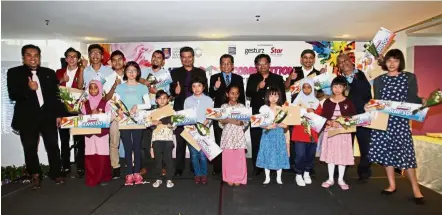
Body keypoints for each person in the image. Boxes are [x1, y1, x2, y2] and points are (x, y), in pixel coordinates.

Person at [369, 49, 425, 204]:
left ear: (400, 62)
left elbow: (413, 99)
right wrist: (371, 105)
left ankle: (416, 189)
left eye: (396, 60)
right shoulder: (379, 80)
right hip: (383, 120)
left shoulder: (409, 77)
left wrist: (423, 101)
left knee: (406, 155)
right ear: (385, 62)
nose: (392, 63)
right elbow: (377, 100)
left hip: (400, 122)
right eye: (389, 60)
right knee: (387, 154)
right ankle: (392, 185)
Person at [7, 44, 65, 189]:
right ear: (23, 57)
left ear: (39, 57)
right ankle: (35, 175)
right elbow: (12, 95)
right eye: (29, 55)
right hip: (27, 118)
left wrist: (58, 114)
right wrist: (28, 88)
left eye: (36, 55)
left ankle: (55, 173)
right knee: (30, 148)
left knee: (52, 146)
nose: (33, 58)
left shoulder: (49, 73)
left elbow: (55, 96)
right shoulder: (14, 73)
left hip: (48, 116)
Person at [170, 46, 207, 177]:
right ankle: (179, 168)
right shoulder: (174, 73)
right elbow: (171, 93)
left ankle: (194, 166)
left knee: (195, 141)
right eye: (183, 57)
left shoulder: (201, 73)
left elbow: (205, 92)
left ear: (193, 57)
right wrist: (175, 92)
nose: (186, 59)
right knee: (180, 141)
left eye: (189, 56)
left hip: (197, 112)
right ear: (181, 58)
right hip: (181, 111)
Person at [246, 54, 286, 175]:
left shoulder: (278, 78)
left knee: (272, 143)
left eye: (265, 63)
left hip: (274, 116)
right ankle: (257, 167)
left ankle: (272, 167)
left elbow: (282, 97)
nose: (262, 66)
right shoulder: (252, 78)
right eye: (259, 64)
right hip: (257, 115)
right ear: (256, 66)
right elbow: (248, 93)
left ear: (269, 64)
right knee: (257, 141)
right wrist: (258, 86)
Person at [337, 53, 373, 182]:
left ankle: (364, 172)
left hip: (364, 117)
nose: (344, 63)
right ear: (339, 67)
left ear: (351, 61)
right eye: (340, 62)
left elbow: (371, 93)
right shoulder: (339, 80)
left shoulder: (363, 74)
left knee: (366, 147)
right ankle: (341, 171)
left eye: (345, 60)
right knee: (345, 146)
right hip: (347, 118)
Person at [115, 61, 151, 186]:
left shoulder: (142, 87)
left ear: (138, 72)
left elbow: (148, 104)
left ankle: (137, 173)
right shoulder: (120, 87)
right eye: (129, 70)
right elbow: (116, 103)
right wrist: (118, 110)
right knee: (127, 147)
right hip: (124, 120)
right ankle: (129, 173)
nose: (131, 73)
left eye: (134, 71)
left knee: (137, 146)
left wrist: (138, 106)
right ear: (125, 72)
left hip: (138, 120)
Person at [209, 54, 245, 176]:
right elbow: (210, 95)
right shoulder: (214, 77)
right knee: (219, 141)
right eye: (223, 63)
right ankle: (219, 167)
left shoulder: (239, 78)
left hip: (236, 113)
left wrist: (242, 114)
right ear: (220, 66)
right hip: (220, 114)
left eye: (228, 63)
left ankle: (234, 167)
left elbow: (243, 98)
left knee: (235, 141)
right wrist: (215, 87)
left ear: (233, 65)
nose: (226, 66)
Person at [320, 76, 356, 190]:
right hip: (330, 132)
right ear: (331, 88)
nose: (337, 89)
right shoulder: (327, 101)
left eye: (340, 86)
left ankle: (341, 179)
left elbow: (353, 117)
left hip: (343, 132)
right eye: (335, 86)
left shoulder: (348, 101)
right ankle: (330, 178)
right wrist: (329, 121)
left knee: (342, 155)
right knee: (330, 155)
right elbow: (323, 117)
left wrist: (342, 120)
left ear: (344, 87)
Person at [55, 47, 86, 177]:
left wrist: (82, 69)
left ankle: (80, 166)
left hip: (77, 109)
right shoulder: (59, 72)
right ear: (66, 58)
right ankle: (65, 165)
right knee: (64, 139)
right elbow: (52, 90)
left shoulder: (82, 70)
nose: (72, 58)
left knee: (79, 139)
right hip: (62, 109)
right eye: (69, 56)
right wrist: (62, 81)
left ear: (78, 59)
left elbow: (81, 86)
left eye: (74, 56)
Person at [140, 50, 171, 175]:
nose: (156, 59)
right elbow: (136, 78)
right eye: (154, 57)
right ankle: (145, 166)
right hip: (146, 108)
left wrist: (156, 91)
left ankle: (163, 166)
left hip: (160, 109)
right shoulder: (144, 70)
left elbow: (168, 94)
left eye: (159, 58)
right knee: (144, 141)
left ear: (163, 61)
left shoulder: (166, 75)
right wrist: (144, 82)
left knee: (161, 139)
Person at [291, 78, 322, 186]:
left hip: (312, 134)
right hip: (299, 132)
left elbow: (320, 117)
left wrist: (313, 112)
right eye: (304, 87)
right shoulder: (296, 101)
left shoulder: (317, 102)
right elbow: (292, 116)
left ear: (312, 88)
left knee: (310, 154)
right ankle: (299, 173)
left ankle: (307, 172)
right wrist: (300, 113)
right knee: (300, 154)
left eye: (309, 87)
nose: (306, 89)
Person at [81, 80, 112, 186]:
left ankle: (103, 177)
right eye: (91, 87)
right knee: (90, 155)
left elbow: (110, 117)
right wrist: (81, 116)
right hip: (89, 135)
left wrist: (100, 114)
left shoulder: (105, 103)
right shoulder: (84, 103)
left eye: (95, 87)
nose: (93, 89)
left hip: (102, 134)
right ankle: (92, 177)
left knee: (102, 155)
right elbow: (82, 117)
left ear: (100, 89)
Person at [256, 87, 290, 185]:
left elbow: (286, 125)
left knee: (279, 154)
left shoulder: (283, 109)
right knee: (267, 154)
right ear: (267, 97)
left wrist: (278, 124)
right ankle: (267, 177)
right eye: (271, 95)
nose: (273, 98)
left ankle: (279, 177)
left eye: (276, 95)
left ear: (279, 97)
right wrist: (267, 127)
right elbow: (260, 123)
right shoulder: (264, 109)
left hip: (279, 135)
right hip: (267, 135)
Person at [184, 77, 213, 184]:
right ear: (191, 88)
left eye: (199, 86)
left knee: (203, 155)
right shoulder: (188, 100)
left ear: (204, 87)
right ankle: (197, 174)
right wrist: (190, 127)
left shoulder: (209, 100)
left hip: (204, 131)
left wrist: (205, 123)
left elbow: (210, 116)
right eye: (194, 86)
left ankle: (204, 174)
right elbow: (185, 116)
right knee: (194, 155)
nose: (196, 88)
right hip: (191, 131)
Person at [102, 50, 126, 179]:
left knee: (132, 142)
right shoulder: (108, 79)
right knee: (114, 141)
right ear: (111, 63)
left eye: (119, 59)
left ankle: (133, 166)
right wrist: (114, 87)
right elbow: (106, 99)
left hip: (129, 114)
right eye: (114, 60)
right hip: (114, 114)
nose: (117, 62)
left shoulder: (130, 74)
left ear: (124, 61)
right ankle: (115, 166)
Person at [218, 85, 248, 186]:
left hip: (239, 135)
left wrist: (230, 120)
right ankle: (229, 177)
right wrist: (232, 120)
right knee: (228, 157)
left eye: (236, 93)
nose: (234, 95)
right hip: (227, 135)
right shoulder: (223, 107)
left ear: (239, 95)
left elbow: (244, 122)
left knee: (239, 157)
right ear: (227, 94)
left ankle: (239, 177)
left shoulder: (242, 107)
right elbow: (221, 122)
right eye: (232, 93)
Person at [151, 90, 175, 188]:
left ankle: (169, 179)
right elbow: (147, 124)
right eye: (160, 98)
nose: (162, 100)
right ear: (156, 100)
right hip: (156, 139)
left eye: (164, 98)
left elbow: (175, 124)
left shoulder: (171, 110)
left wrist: (171, 125)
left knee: (168, 159)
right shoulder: (153, 112)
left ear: (168, 99)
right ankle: (158, 178)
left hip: (168, 139)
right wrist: (153, 123)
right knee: (158, 160)